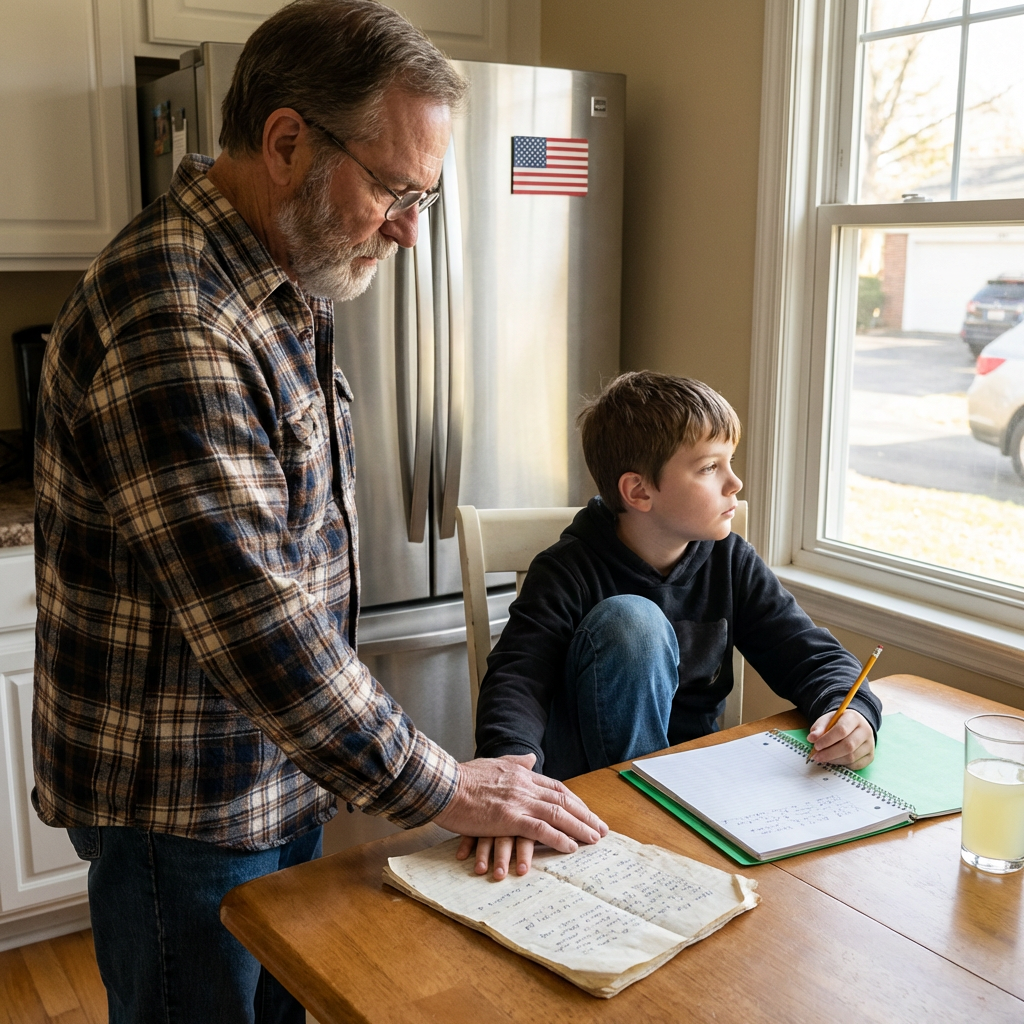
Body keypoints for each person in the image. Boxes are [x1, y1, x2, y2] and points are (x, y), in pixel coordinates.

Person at [32, 2, 604, 1020]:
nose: (411, 229)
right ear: (287, 141)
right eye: (392, 188)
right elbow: (261, 626)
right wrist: (446, 786)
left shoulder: (287, 280)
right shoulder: (175, 317)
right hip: (184, 803)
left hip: (277, 770)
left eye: (423, 195)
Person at [468, 371, 882, 881]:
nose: (735, 483)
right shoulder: (568, 568)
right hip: (588, 795)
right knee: (634, 621)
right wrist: (508, 771)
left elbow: (809, 653)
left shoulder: (729, 559)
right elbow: (518, 679)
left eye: (730, 462)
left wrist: (853, 712)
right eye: (710, 467)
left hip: (695, 790)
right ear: (639, 491)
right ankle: (640, 821)